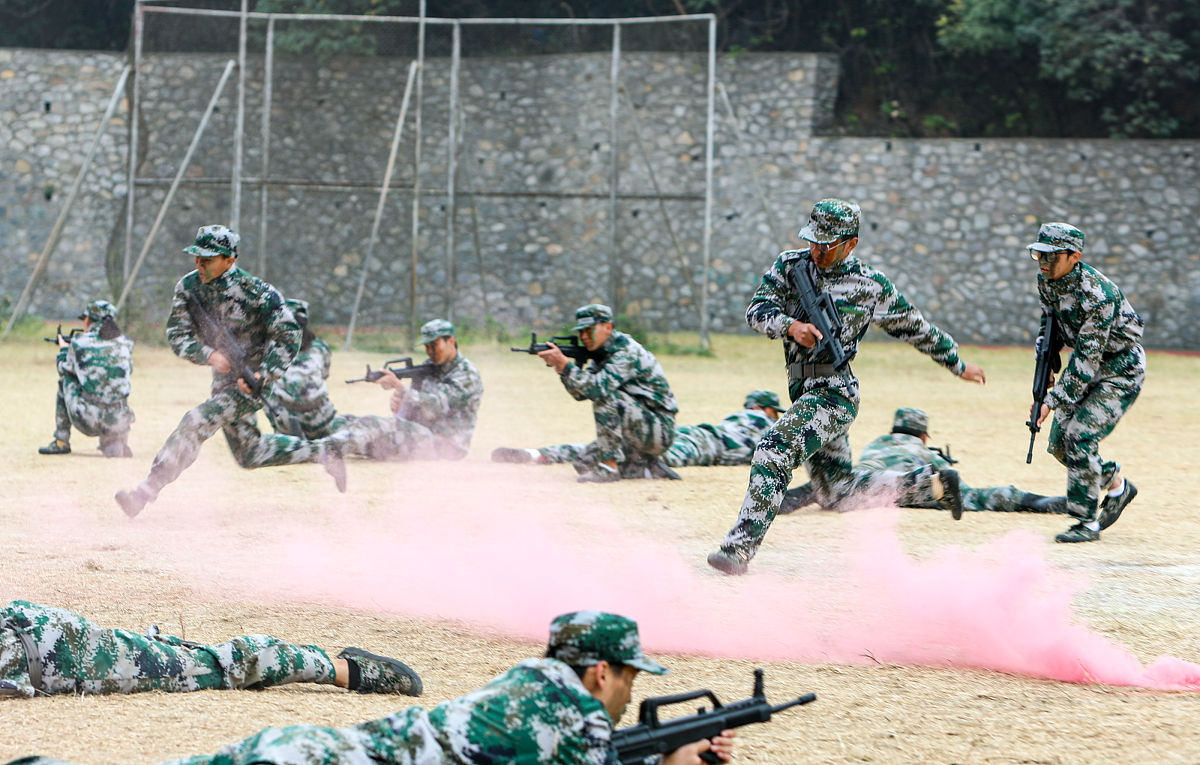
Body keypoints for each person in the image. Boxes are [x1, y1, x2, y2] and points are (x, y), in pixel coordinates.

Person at [707, 198, 988, 576]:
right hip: (804, 391)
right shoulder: (790, 266)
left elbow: (915, 327)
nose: (818, 251)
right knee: (835, 492)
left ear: (851, 243)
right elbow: (757, 311)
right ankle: (932, 486)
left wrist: (958, 364)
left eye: (828, 244)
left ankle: (737, 549)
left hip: (836, 393)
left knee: (774, 449)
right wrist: (791, 327)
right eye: (813, 241)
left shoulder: (871, 285)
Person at [125, 611, 734, 765]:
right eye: (629, 675)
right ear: (601, 671)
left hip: (301, 747)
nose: (629, 690)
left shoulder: (530, 681)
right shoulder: (578, 719)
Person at [114, 225, 346, 518]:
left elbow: (289, 334)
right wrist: (209, 355)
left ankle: (143, 493)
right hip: (224, 379)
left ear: (229, 260)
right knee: (250, 453)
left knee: (196, 421)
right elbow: (177, 335)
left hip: (255, 382)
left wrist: (265, 374)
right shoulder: (188, 287)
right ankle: (325, 451)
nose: (199, 264)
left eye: (207, 259)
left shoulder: (258, 292)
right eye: (197, 257)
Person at [0, 600, 421, 699]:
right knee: (186, 660)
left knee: (215, 667)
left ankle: (346, 669)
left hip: (51, 653)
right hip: (34, 638)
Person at [1026, 222, 1144, 543]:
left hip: (1119, 370)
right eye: (1039, 254)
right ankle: (1116, 485)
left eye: (1051, 255)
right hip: (1085, 363)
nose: (1043, 262)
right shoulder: (1047, 280)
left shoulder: (1099, 297)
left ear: (1074, 256)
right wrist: (1047, 361)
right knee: (1060, 444)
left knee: (1079, 436)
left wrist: (1050, 402)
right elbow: (1048, 323)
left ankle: (1085, 523)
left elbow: (1086, 361)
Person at [492, 303, 679, 482]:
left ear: (607, 327)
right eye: (581, 332)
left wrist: (566, 366)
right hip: (636, 429)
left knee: (606, 396)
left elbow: (597, 389)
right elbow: (581, 393)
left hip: (659, 431)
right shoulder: (601, 353)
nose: (584, 336)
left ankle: (610, 468)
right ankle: (646, 467)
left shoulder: (626, 352)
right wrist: (562, 370)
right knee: (584, 462)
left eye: (589, 330)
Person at [778, 407, 1069, 516]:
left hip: (870, 484)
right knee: (982, 496)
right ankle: (1047, 502)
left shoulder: (878, 442)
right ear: (923, 436)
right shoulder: (922, 448)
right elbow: (946, 471)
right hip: (912, 483)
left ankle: (798, 496)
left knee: (840, 487)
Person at [331, 319, 483, 461]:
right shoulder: (430, 367)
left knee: (371, 425)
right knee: (344, 422)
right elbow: (413, 413)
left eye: (434, 345)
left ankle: (317, 451)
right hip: (419, 434)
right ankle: (327, 443)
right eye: (427, 347)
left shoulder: (467, 374)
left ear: (451, 341)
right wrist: (401, 404)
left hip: (445, 446)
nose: (430, 351)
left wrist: (402, 389)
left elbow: (438, 405)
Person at [37, 299, 135, 458]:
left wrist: (64, 350)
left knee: (65, 381)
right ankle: (117, 442)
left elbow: (64, 369)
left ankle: (61, 442)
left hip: (87, 419)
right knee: (116, 387)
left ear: (89, 320)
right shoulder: (126, 343)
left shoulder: (79, 343)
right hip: (119, 421)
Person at [260, 299, 351, 440]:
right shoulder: (320, 347)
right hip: (321, 421)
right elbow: (324, 375)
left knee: (265, 386)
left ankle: (284, 434)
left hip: (285, 423)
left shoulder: (270, 347)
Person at [662, 390, 783, 468]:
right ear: (757, 408)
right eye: (773, 411)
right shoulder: (763, 420)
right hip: (709, 445)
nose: (777, 417)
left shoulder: (739, 417)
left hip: (698, 433)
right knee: (663, 459)